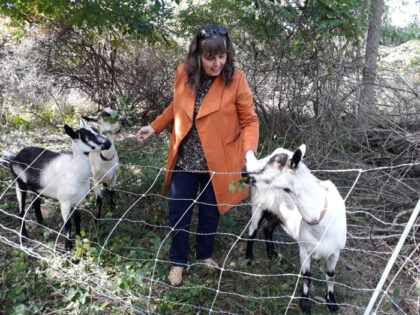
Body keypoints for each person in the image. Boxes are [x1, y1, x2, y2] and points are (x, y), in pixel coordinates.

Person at [137, 24, 259, 286]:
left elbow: (250, 120)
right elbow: (176, 105)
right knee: (178, 211)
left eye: (222, 56)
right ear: (197, 55)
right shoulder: (183, 72)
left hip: (220, 160)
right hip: (185, 159)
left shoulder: (236, 79)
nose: (217, 63)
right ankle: (177, 262)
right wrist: (155, 126)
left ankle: (204, 254)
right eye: (210, 57)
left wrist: (249, 153)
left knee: (210, 212)